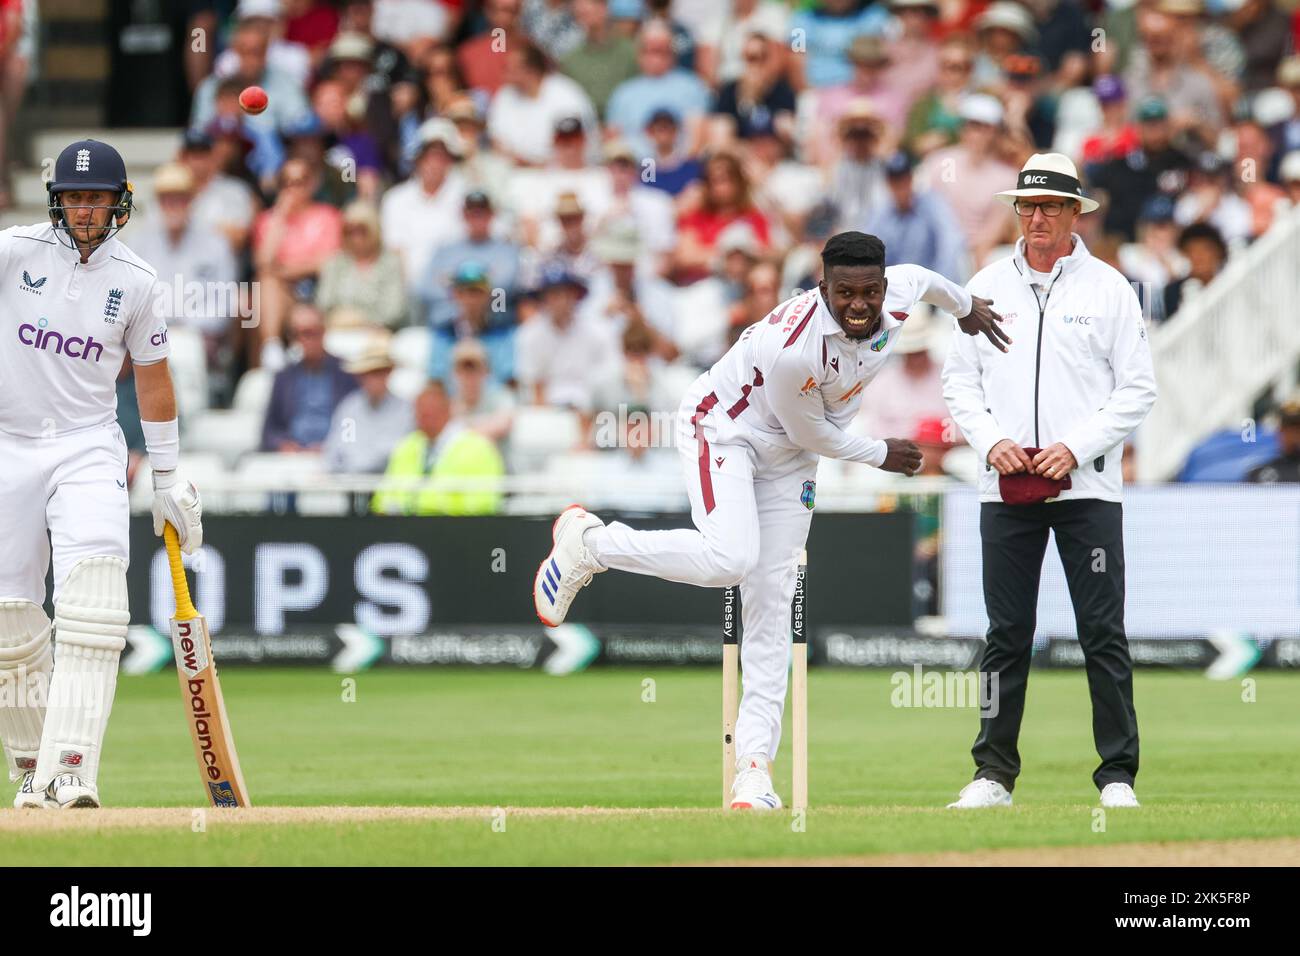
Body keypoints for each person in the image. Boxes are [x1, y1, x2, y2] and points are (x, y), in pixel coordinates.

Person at [534, 231, 1007, 810]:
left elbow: (928, 279)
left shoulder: (899, 292)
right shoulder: (795, 348)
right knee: (731, 558)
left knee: (771, 604)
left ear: (883, 288)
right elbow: (815, 432)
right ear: (822, 288)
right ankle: (591, 542)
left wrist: (967, 309)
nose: (858, 306)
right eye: (844, 293)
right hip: (726, 429)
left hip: (792, 458)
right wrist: (883, 453)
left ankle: (753, 772)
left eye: (868, 293)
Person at [941, 153, 1158, 810]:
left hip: (1086, 488)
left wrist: (1075, 446)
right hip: (1004, 488)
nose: (1036, 217)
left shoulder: (1109, 288)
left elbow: (1138, 389)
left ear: (1074, 213)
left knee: (1102, 631)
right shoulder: (984, 287)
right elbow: (959, 381)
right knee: (1005, 631)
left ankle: (1117, 776)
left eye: (1050, 207)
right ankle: (992, 776)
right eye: (1028, 206)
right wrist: (992, 442)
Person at [0, 139, 203, 809]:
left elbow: (153, 379)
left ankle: (71, 770)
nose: (85, 209)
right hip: (9, 443)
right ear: (57, 198)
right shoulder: (14, 251)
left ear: (120, 203)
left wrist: (168, 478)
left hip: (89, 446)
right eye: (75, 196)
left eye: (98, 197)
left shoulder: (138, 281)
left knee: (95, 607)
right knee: (9, 624)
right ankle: (32, 768)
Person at [371, 382, 505, 515]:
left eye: (431, 411)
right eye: (420, 411)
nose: (424, 417)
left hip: (456, 531)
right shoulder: (407, 446)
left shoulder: (478, 448)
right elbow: (381, 501)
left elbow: (485, 505)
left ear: (447, 410)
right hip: (401, 529)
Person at [260, 303, 358, 452]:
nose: (305, 339)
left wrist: (332, 446)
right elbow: (269, 430)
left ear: (323, 331)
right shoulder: (283, 377)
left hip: (334, 457)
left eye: (311, 332)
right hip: (292, 458)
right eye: (297, 334)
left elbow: (354, 423)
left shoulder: (347, 373)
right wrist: (283, 445)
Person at [322, 338, 413, 473]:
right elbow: (340, 446)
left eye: (379, 372)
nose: (373, 379)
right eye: (368, 373)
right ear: (360, 376)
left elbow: (398, 450)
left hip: (389, 485)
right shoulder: (350, 408)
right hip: (352, 485)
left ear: (389, 373)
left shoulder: (405, 410)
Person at [315, 200, 408, 330]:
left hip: (380, 333)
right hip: (338, 330)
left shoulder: (390, 263)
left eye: (361, 230)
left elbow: (394, 311)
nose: (355, 237)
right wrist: (340, 319)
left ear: (374, 230)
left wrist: (360, 321)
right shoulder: (336, 262)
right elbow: (323, 304)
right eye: (349, 231)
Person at [1245, 398, 1300, 483]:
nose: (1293, 433)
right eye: (1288, 425)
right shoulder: (1262, 474)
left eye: (1297, 426)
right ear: (1280, 430)